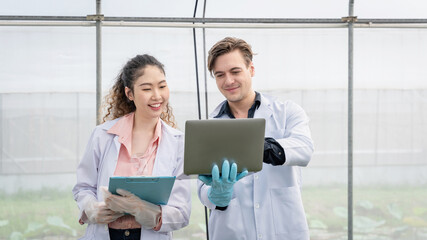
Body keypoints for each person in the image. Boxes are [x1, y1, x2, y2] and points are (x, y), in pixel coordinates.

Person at [197, 37, 314, 240]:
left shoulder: (286, 112)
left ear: (251, 69)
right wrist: (218, 194)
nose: (228, 81)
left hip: (283, 232)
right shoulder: (209, 127)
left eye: (235, 71)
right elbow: (202, 189)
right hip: (231, 233)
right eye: (220, 75)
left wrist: (260, 147)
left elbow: (304, 148)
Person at [72, 54, 191, 240]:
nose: (157, 96)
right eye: (147, 88)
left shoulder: (178, 143)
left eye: (162, 86)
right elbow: (83, 187)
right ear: (130, 94)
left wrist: (150, 213)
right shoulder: (102, 135)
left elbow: (182, 211)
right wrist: (91, 209)